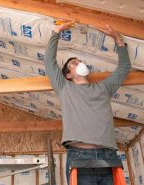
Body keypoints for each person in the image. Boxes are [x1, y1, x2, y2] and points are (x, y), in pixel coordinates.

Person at [44, 22, 131, 185]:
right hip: (79, 157)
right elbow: (49, 62)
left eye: (80, 61)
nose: (80, 63)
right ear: (68, 75)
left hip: (108, 157)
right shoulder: (65, 87)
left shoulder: (104, 87)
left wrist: (118, 39)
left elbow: (124, 68)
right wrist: (56, 32)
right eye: (74, 63)